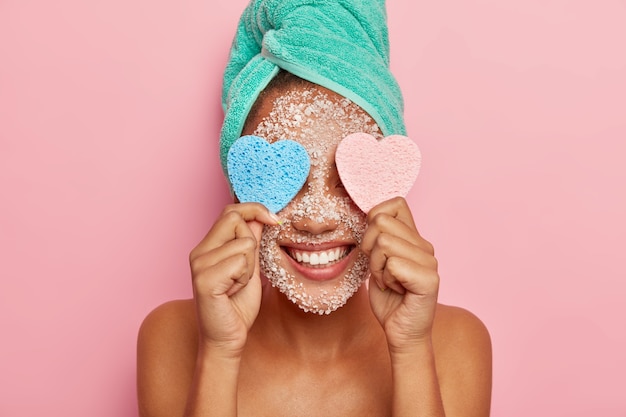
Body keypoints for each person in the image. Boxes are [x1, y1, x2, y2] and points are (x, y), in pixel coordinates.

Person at [137, 1, 492, 417]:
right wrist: (220, 351)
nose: (317, 219)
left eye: (346, 182)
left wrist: (411, 350)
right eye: (289, 180)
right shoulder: (173, 338)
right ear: (242, 188)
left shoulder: (455, 342)